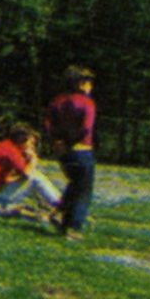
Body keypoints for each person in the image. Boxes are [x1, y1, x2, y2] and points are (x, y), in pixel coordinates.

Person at [44, 66, 99, 239]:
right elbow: (85, 129)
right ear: (80, 83)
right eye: (88, 81)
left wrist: (57, 141)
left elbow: (48, 124)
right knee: (83, 191)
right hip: (81, 150)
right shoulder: (87, 103)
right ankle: (74, 227)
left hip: (62, 152)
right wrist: (69, 142)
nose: (91, 85)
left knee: (74, 185)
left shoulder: (57, 101)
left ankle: (62, 216)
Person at [0, 123, 63, 219]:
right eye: (31, 143)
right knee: (35, 177)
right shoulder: (11, 151)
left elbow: (7, 179)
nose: (32, 147)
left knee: (32, 177)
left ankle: (55, 204)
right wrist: (34, 159)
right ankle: (60, 204)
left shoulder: (4, 147)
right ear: (21, 140)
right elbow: (28, 174)